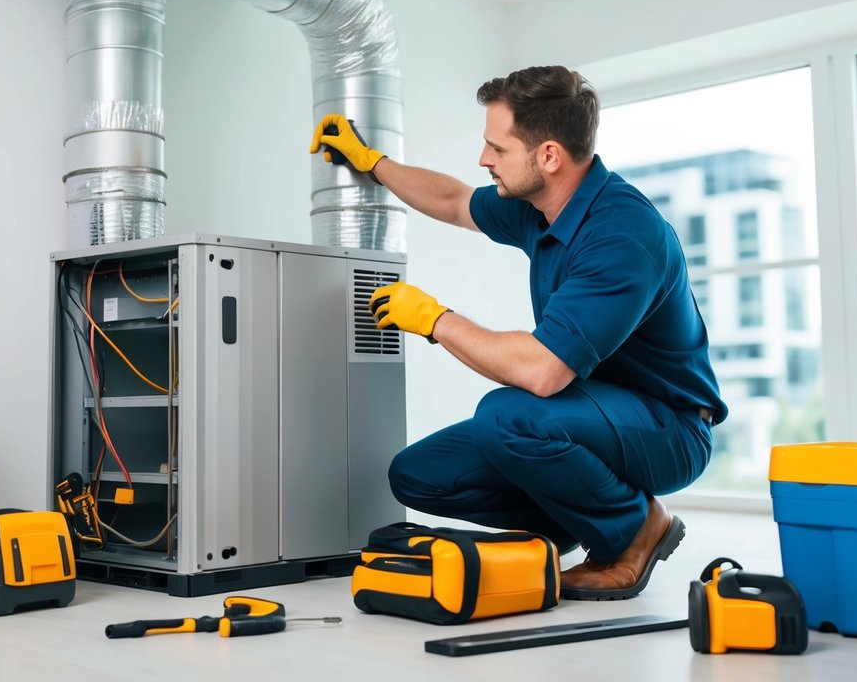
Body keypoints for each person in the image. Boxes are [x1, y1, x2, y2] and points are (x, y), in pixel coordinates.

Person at [309, 66, 726, 600]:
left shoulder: (623, 234)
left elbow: (543, 371)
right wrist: (373, 163)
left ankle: (634, 529)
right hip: (592, 411)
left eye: (497, 149)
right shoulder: (540, 206)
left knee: (508, 415)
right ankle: (572, 527)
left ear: (548, 156)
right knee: (419, 474)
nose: (485, 160)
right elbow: (455, 202)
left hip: (667, 428)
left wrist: (436, 320)